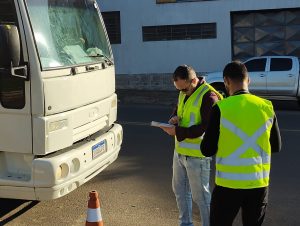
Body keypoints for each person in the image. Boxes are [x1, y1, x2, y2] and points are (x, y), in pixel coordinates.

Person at [201, 61, 282, 226]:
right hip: (258, 184)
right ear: (248, 80)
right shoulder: (266, 107)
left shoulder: (221, 108)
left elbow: (207, 149)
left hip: (228, 185)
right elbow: (276, 146)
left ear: (226, 81)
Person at [159, 65, 223, 226]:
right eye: (178, 89)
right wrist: (174, 118)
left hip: (198, 156)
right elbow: (179, 110)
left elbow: (207, 128)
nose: (182, 92)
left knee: (201, 198)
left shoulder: (209, 96)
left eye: (184, 89)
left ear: (194, 81)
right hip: (180, 152)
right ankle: (185, 223)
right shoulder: (184, 91)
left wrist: (178, 132)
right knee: (180, 192)